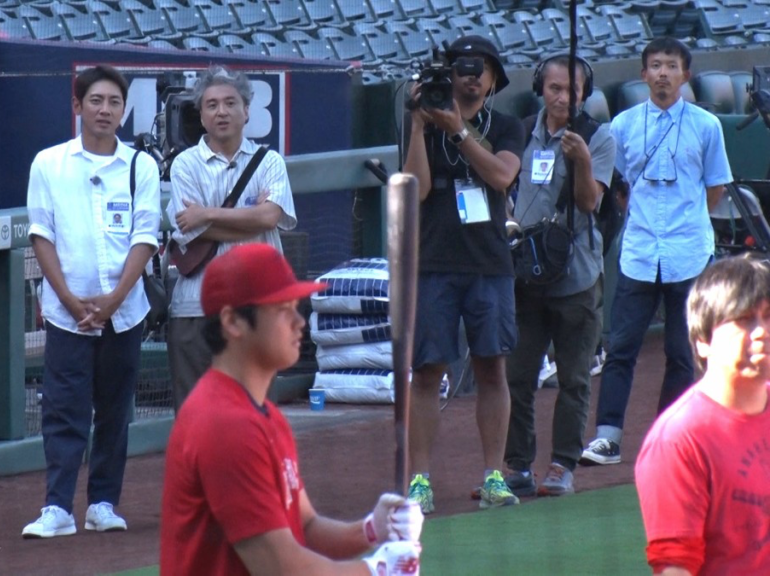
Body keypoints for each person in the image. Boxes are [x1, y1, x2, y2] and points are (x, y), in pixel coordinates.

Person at [160, 243, 423, 575]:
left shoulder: (263, 415)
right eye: (282, 308)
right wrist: (377, 571)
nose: (300, 321)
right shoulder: (225, 424)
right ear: (233, 322)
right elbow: (281, 568)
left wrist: (371, 529)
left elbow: (306, 527)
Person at [21, 66, 161, 538]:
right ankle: (57, 507)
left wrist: (113, 299)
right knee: (63, 408)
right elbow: (41, 235)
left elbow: (145, 235)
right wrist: (69, 299)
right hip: (67, 315)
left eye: (114, 102)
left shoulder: (142, 165)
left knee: (115, 409)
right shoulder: (49, 163)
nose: (105, 110)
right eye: (96, 101)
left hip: (125, 312)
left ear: (124, 109)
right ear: (78, 106)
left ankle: (103, 503)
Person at [580, 37, 733, 466]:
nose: (663, 73)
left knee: (681, 353)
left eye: (671, 66)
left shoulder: (706, 126)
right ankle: (607, 436)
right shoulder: (623, 125)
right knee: (621, 347)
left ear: (685, 74)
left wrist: (689, 224)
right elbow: (620, 187)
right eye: (654, 65)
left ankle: (670, 439)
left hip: (689, 252)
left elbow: (715, 186)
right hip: (640, 253)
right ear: (643, 74)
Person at [401, 34, 525, 512]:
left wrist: (457, 131)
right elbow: (417, 188)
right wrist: (418, 126)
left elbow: (500, 176)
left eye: (481, 69)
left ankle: (494, 475)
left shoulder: (508, 124)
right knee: (427, 370)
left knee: (492, 366)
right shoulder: (425, 123)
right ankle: (420, 480)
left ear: (493, 79)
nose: (471, 76)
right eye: (461, 68)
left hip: (489, 263)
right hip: (433, 261)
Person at [503, 54, 615, 497]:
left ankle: (562, 463)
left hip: (577, 276)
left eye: (573, 90)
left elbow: (591, 203)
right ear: (540, 88)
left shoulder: (597, 136)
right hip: (527, 273)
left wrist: (582, 160)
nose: (564, 97)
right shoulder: (521, 133)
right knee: (518, 374)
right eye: (555, 88)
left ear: (586, 93)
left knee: (573, 377)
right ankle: (517, 465)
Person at [166, 65, 297, 412]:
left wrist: (207, 213)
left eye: (229, 103)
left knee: (254, 415)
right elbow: (190, 229)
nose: (221, 112)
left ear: (246, 110)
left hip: (258, 306)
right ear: (201, 114)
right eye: (211, 105)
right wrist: (249, 219)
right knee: (196, 415)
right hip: (195, 306)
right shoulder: (184, 164)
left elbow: (271, 217)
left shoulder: (269, 161)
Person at [635, 255, 770, 575]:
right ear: (702, 341)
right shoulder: (679, 440)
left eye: (768, 316)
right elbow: (676, 568)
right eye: (744, 319)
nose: (761, 331)